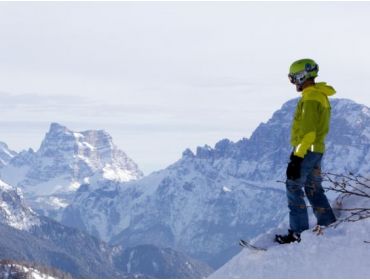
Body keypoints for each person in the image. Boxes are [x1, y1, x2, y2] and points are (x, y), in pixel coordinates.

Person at [275, 58, 337, 244]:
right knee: (313, 188)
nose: (293, 82)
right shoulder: (319, 95)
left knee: (293, 186)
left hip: (307, 150)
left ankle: (298, 233)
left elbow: (309, 133)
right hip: (316, 149)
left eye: (294, 78)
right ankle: (328, 224)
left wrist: (296, 157)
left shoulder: (310, 99)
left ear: (303, 76)